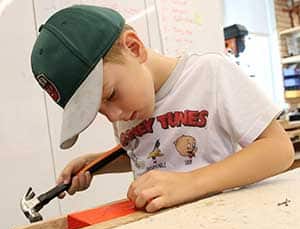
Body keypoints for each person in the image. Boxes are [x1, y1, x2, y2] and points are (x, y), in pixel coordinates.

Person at [31, 5, 294, 213]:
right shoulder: (127, 109)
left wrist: (191, 183)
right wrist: (98, 163)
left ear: (134, 49)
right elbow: (149, 150)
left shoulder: (210, 74)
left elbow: (279, 150)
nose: (112, 115)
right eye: (97, 110)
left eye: (111, 94)